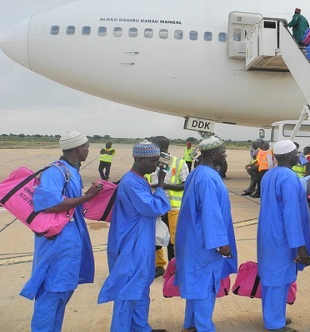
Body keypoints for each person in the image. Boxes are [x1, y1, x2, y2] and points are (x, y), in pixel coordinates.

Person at [21, 131, 103, 332]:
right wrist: (87, 197)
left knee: (63, 292)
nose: (88, 151)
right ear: (78, 149)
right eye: (86, 147)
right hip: (57, 244)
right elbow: (48, 202)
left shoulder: (71, 170)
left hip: (69, 242)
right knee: (51, 294)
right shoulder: (55, 172)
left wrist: (89, 196)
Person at [97, 141, 170, 332]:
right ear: (139, 159)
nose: (156, 165)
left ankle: (140, 327)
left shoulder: (140, 179)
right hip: (131, 245)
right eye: (153, 161)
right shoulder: (131, 182)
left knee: (140, 289)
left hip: (141, 243)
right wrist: (161, 186)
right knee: (128, 292)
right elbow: (154, 207)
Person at [175, 136, 237, 332]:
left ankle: (191, 325)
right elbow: (211, 212)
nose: (225, 154)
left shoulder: (198, 173)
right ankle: (204, 327)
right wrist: (221, 243)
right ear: (212, 154)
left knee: (196, 283)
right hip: (205, 242)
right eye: (223, 151)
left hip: (195, 239)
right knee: (205, 286)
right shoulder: (207, 177)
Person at [257, 140, 310, 332]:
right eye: (296, 153)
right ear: (288, 156)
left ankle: (274, 315)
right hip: (282, 236)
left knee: (272, 275)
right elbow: (291, 214)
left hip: (268, 232)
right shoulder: (289, 178)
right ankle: (274, 323)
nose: (298, 156)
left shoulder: (269, 175)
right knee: (278, 277)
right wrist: (300, 244)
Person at [149, 136, 189, 267]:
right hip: (156, 208)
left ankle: (175, 268)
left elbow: (186, 185)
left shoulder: (179, 163)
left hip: (174, 208)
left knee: (174, 241)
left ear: (163, 148)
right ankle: (158, 266)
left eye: (154, 147)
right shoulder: (151, 163)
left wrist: (163, 186)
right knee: (156, 238)